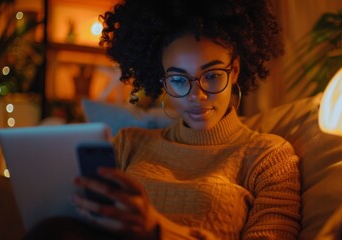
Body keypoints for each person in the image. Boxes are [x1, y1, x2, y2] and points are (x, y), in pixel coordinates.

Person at [27, 0, 301, 239]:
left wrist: (156, 230)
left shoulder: (269, 158)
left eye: (213, 75)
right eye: (179, 80)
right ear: (163, 82)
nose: (198, 95)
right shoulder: (127, 144)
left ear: (235, 70)